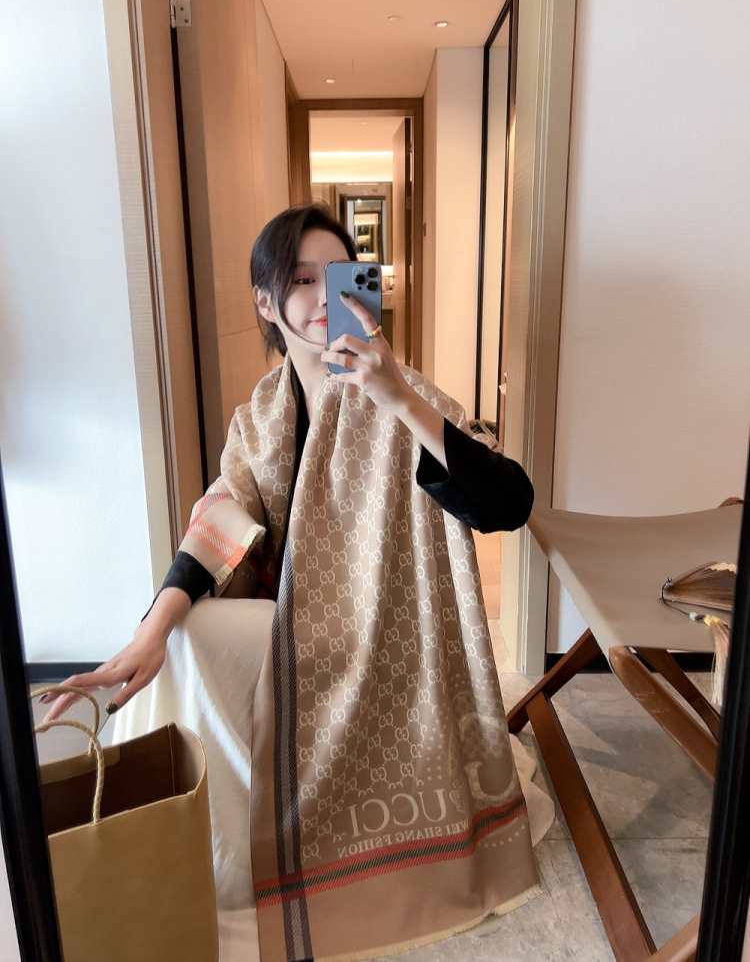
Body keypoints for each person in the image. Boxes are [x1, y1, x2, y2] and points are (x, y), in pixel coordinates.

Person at [41, 205, 547, 960]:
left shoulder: (398, 391)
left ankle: (236, 850)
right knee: (181, 632)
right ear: (266, 301)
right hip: (296, 620)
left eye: (337, 275)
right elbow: (217, 522)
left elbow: (509, 503)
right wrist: (146, 633)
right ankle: (220, 834)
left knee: (198, 636)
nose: (321, 296)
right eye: (300, 279)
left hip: (385, 635)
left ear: (363, 286)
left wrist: (400, 400)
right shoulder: (261, 413)